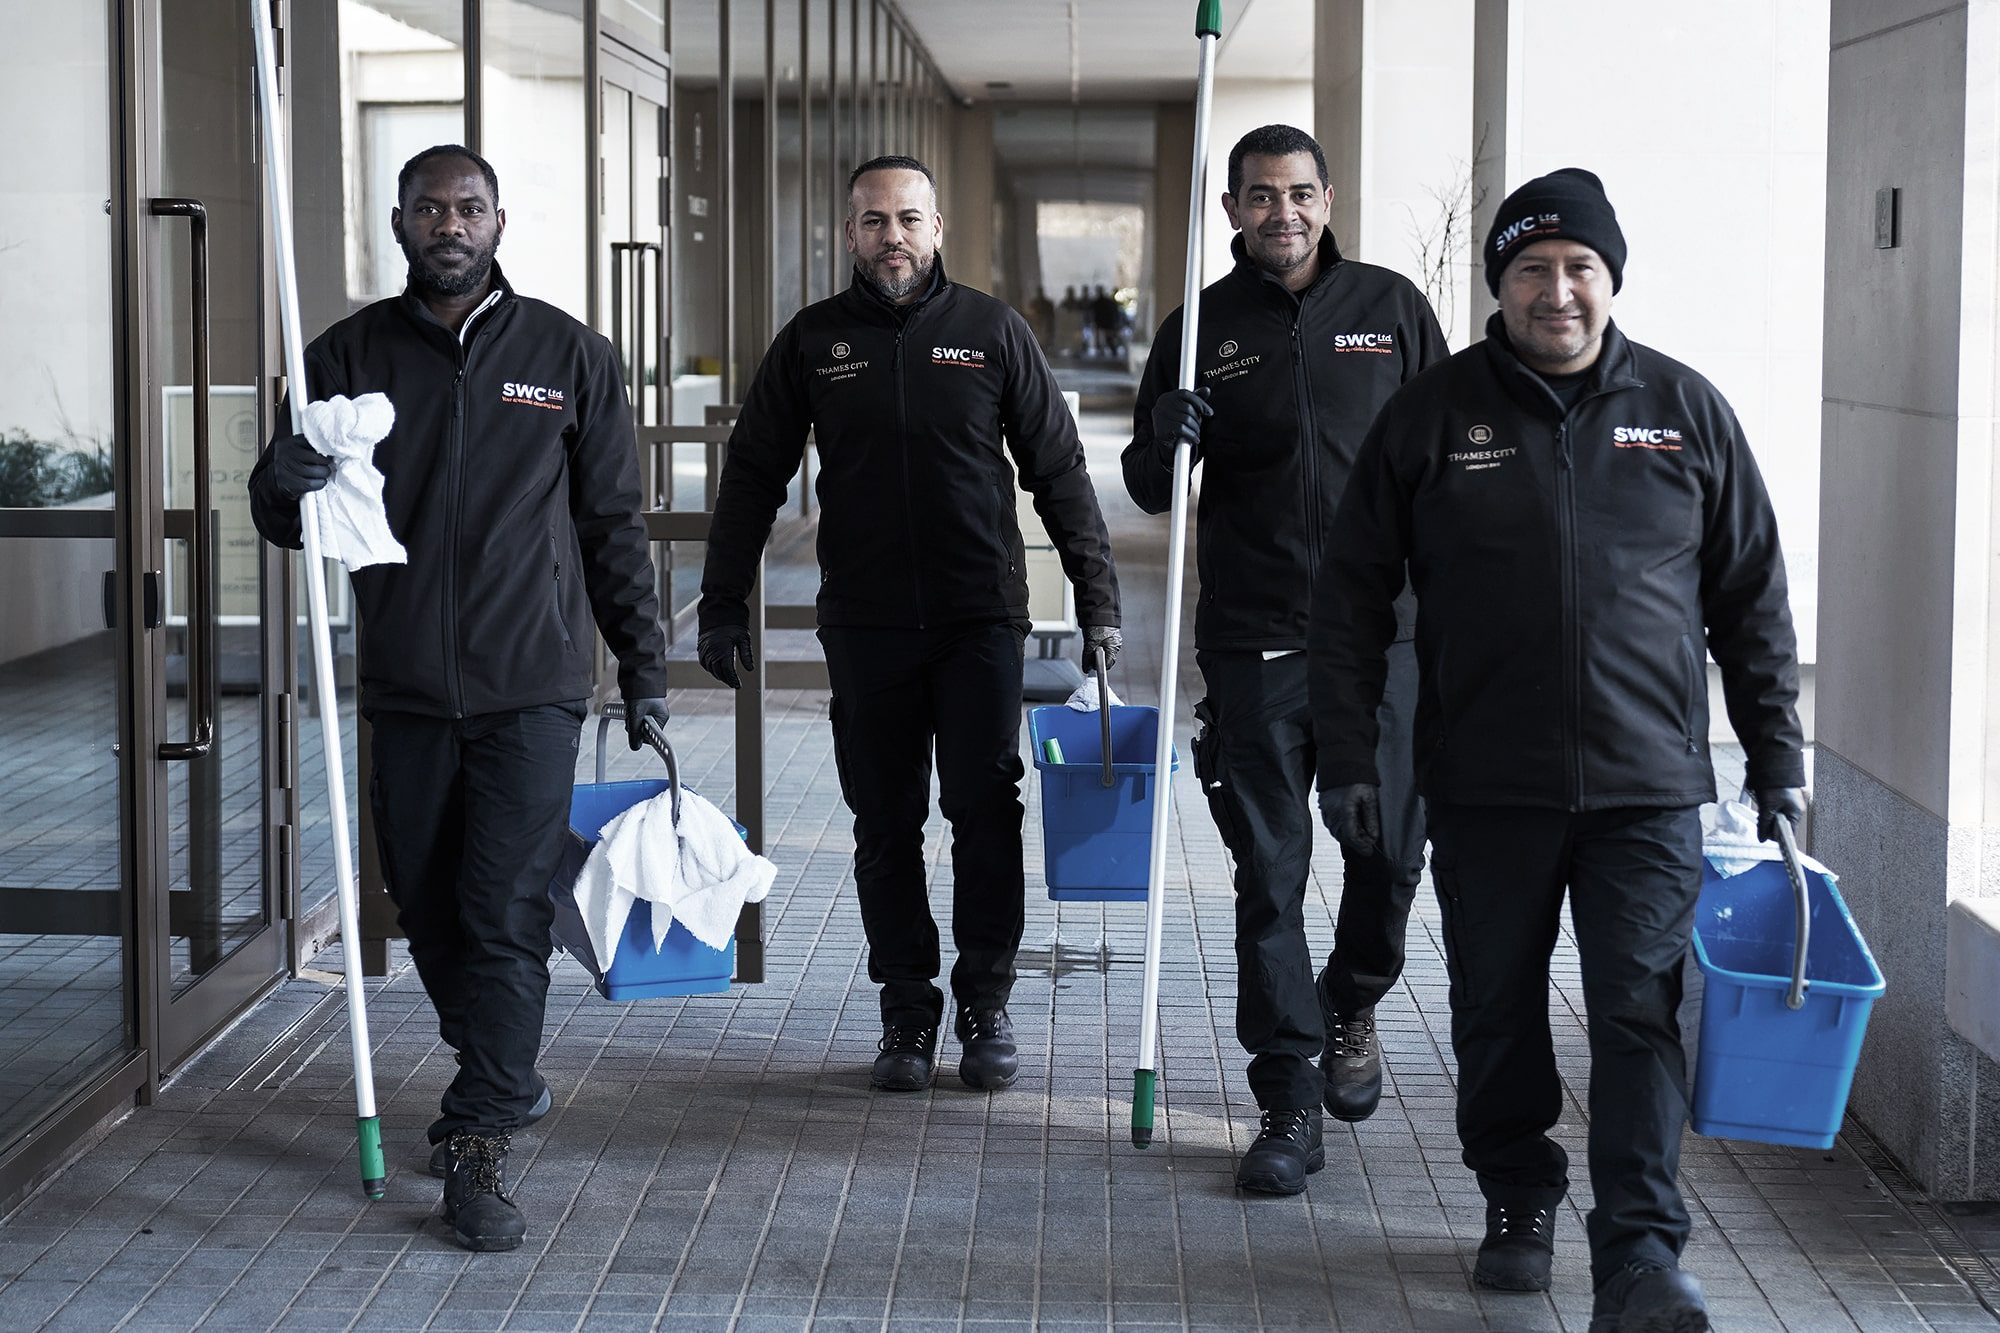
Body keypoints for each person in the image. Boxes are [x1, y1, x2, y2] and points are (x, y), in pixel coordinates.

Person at [1307, 167, 1804, 1331]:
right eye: (1531, 269)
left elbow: (1752, 603)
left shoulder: (1683, 411)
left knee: (1637, 1012)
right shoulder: (1432, 416)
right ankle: (1517, 1192)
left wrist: (1775, 759)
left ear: (1610, 278)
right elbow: (1349, 602)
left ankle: (1637, 1254)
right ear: (1498, 285)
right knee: (1496, 1005)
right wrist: (1347, 756)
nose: (1556, 290)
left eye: (1578, 267)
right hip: (1485, 782)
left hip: (1648, 788)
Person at [248, 145, 669, 1253]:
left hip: (533, 682)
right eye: (430, 206)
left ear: (497, 220)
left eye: (468, 206)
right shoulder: (343, 353)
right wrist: (277, 482)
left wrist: (644, 666)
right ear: (398, 222)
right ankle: (503, 1063)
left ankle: (478, 1133)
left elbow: (611, 524)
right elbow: (291, 520)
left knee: (501, 908)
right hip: (406, 683)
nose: (450, 222)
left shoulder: (567, 354)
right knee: (426, 899)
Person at [698, 154, 1121, 1093]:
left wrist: (1098, 601)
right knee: (884, 822)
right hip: (867, 621)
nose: (894, 235)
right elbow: (754, 474)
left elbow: (1059, 469)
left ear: (939, 230)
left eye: (911, 219)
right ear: (849, 234)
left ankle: (985, 1000)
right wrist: (724, 600)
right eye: (875, 220)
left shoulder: (991, 331)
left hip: (979, 616)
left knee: (984, 810)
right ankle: (906, 1008)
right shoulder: (814, 341)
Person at [1123, 123, 1447, 1196]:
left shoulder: (1392, 311)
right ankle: (1287, 1096)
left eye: (1298, 193)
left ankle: (1351, 996)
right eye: (1259, 197)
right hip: (1255, 638)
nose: (1282, 213)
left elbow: (1452, 463)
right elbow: (1147, 487)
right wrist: (1162, 432)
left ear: (1326, 196)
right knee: (1267, 876)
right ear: (1230, 210)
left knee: (1390, 858)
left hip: (1383, 640)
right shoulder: (1198, 326)